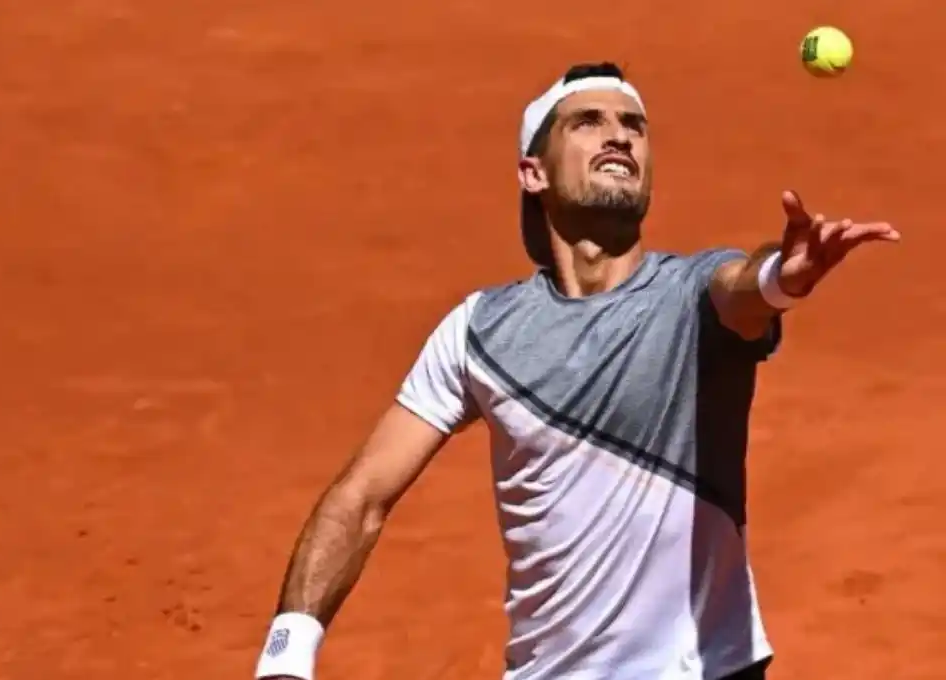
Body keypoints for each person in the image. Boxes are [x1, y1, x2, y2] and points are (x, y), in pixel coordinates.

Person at [252, 62, 900, 680]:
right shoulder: (479, 332)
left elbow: (744, 288)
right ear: (532, 172)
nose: (619, 136)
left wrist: (782, 277)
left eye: (633, 125)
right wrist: (286, 656)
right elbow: (362, 496)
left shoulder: (692, 297)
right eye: (588, 121)